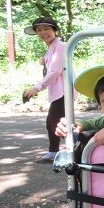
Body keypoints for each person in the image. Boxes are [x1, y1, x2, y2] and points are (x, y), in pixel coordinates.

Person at [23, 16, 70, 162]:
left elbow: (55, 72)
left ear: (54, 30)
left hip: (64, 90)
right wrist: (44, 59)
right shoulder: (52, 47)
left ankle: (72, 149)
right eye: (39, 30)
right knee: (53, 122)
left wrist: (37, 87)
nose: (43, 32)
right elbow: (54, 63)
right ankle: (56, 151)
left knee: (56, 123)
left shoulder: (60, 46)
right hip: (59, 91)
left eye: (46, 29)